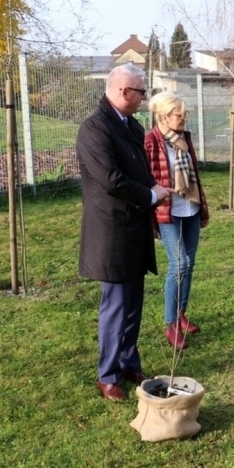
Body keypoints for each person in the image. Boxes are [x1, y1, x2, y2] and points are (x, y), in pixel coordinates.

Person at [76, 63, 174, 401]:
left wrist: (155, 187)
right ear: (122, 91)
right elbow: (110, 180)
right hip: (112, 231)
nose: (144, 98)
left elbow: (140, 169)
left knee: (133, 303)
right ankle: (108, 375)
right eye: (141, 92)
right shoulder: (94, 129)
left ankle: (129, 361)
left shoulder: (130, 124)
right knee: (116, 305)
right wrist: (150, 195)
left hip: (134, 228)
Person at [144, 92, 210, 350]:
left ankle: (182, 316)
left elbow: (194, 175)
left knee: (189, 264)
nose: (184, 118)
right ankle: (170, 323)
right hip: (167, 211)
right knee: (179, 263)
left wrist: (201, 205)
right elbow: (146, 177)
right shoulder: (150, 141)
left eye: (185, 114)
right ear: (163, 117)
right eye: (179, 114)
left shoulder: (185, 139)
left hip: (190, 207)